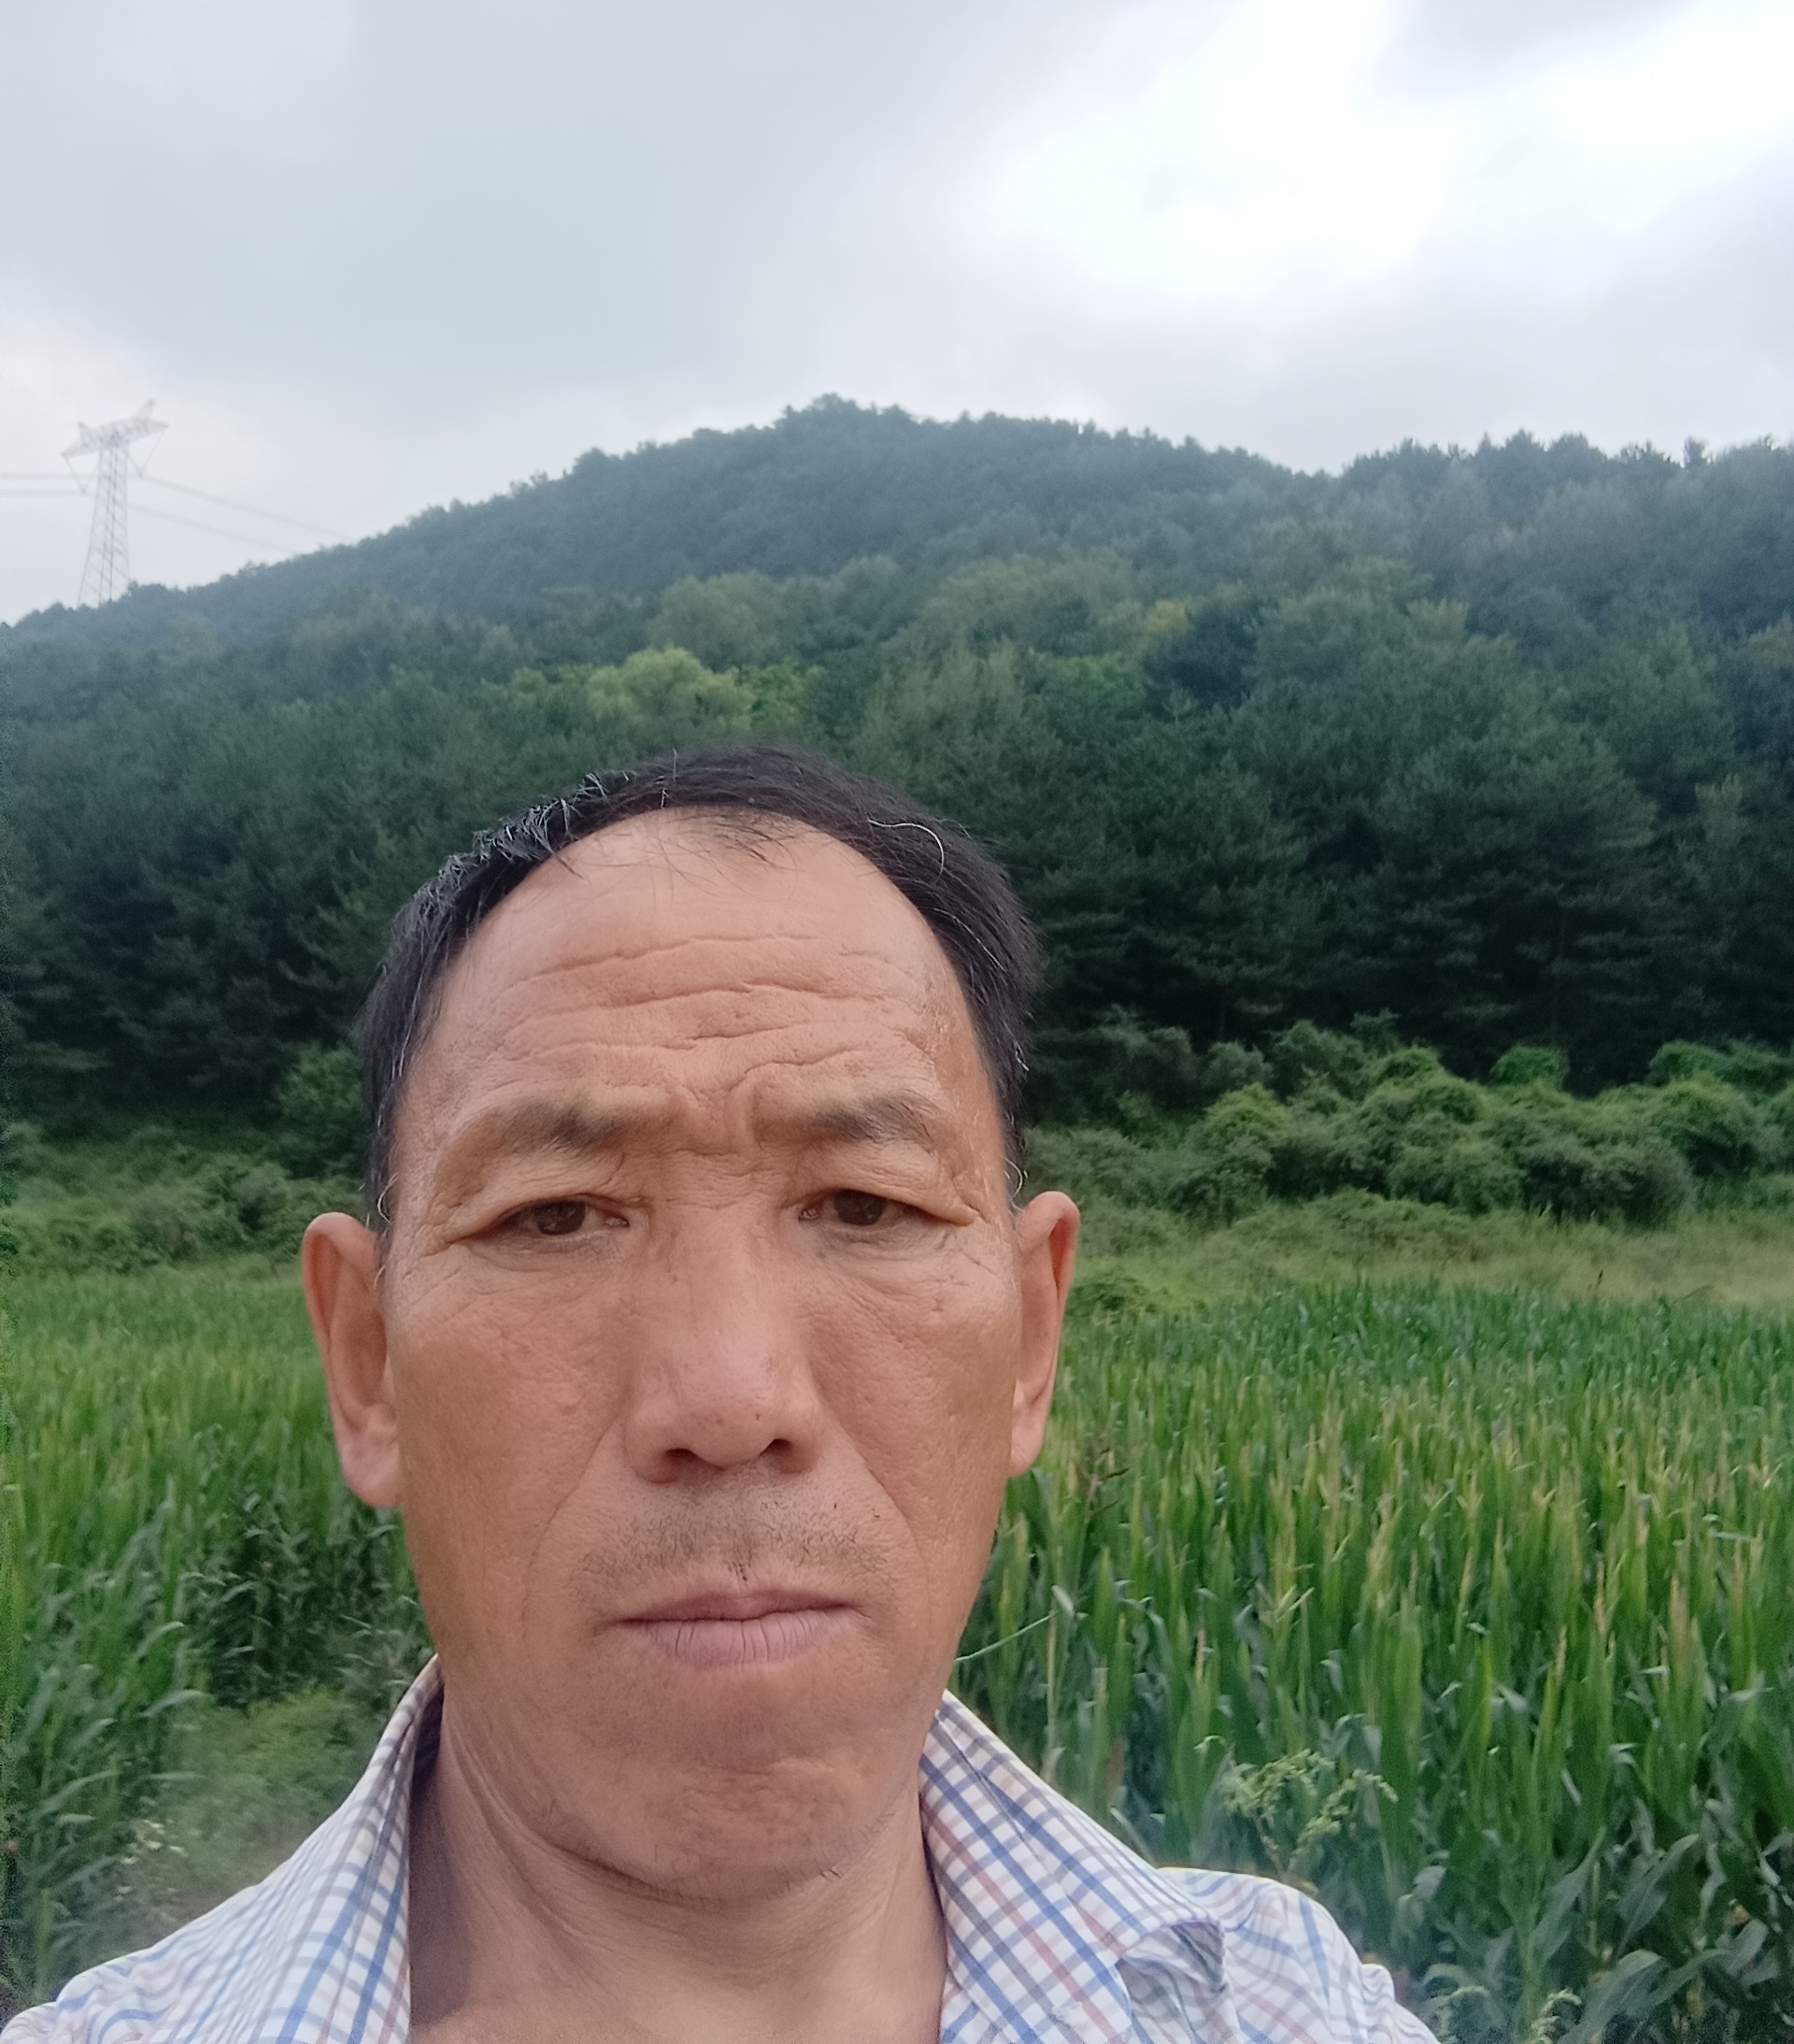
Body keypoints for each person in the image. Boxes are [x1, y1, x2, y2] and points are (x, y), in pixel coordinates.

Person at [9, 745, 1432, 2043]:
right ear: (368, 1366)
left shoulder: (1284, 2011)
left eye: (866, 1205)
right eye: (556, 1216)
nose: (732, 1398)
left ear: (1029, 1341)